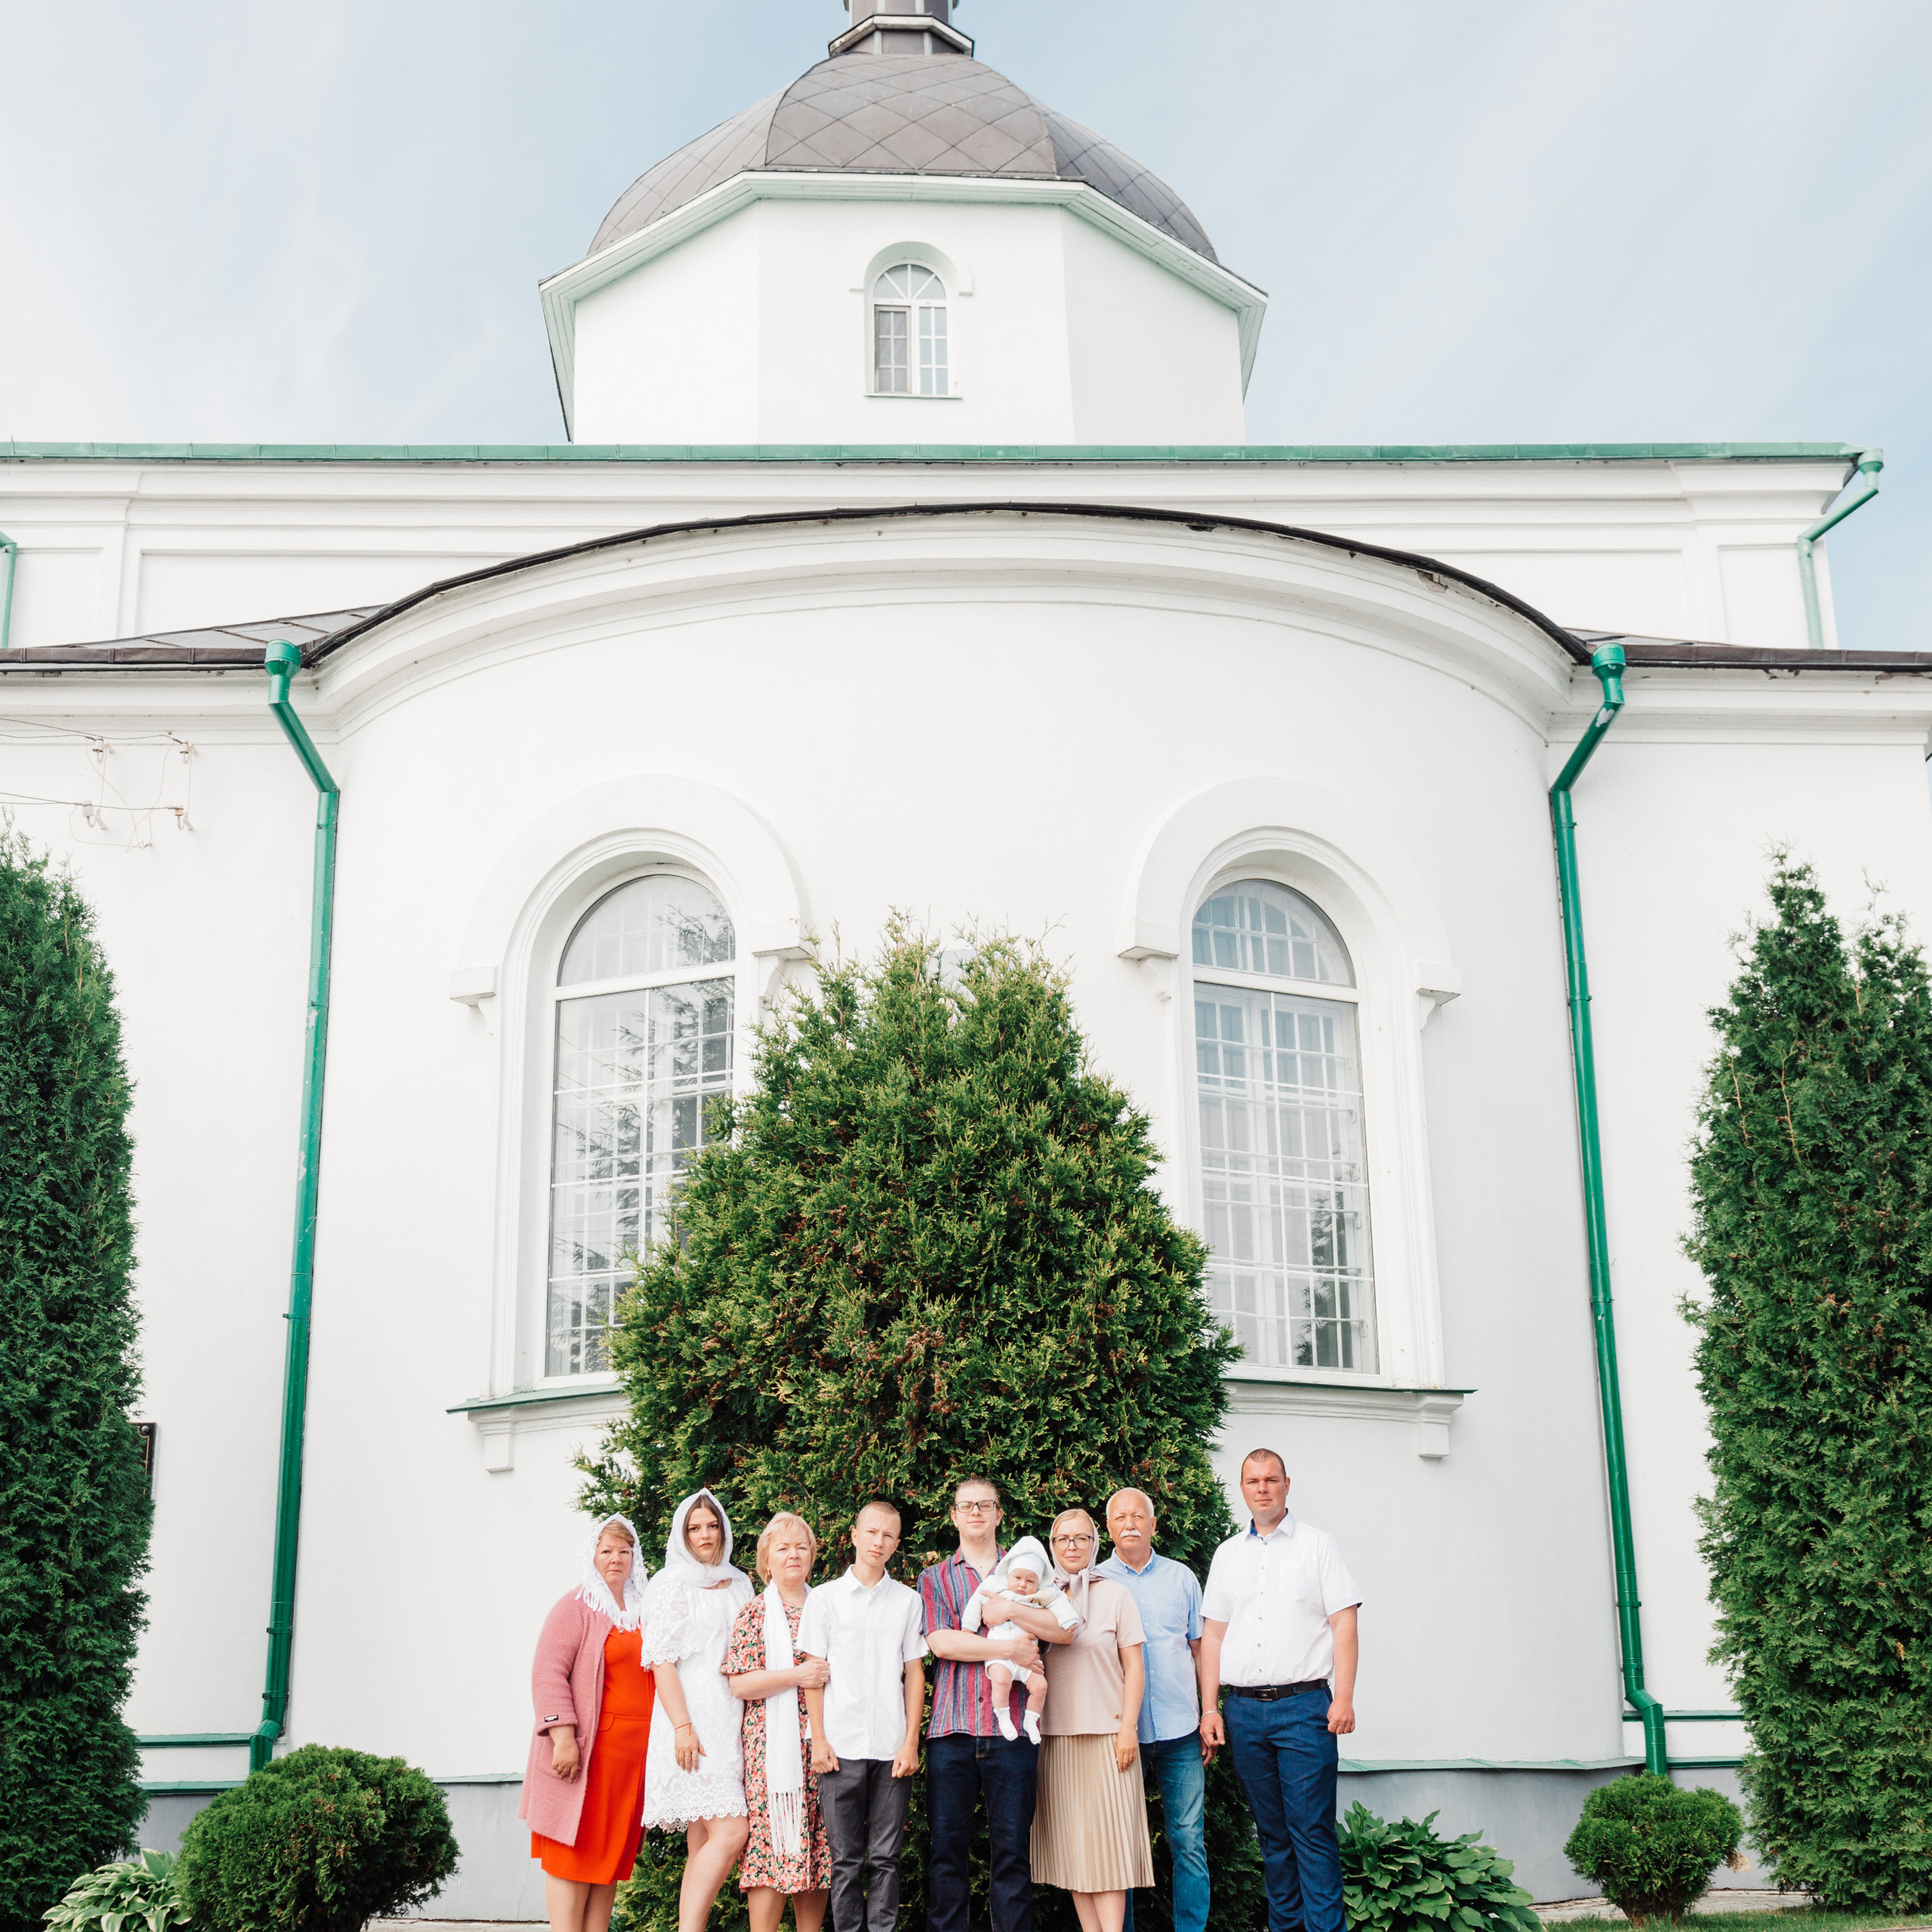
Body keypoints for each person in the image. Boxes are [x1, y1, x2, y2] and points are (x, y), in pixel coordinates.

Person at [1198, 1450, 1362, 1932]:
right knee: (1271, 1835)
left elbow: (1344, 1623)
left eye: (1271, 1480)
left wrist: (1344, 1697)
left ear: (1287, 1484)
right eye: (1253, 1481)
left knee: (1311, 1831)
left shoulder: (1318, 1546)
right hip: (1245, 1713)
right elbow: (1213, 1635)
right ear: (1243, 1488)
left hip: (1306, 1708)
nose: (1263, 1488)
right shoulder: (1229, 1554)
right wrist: (1211, 1708)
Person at [919, 1475, 1076, 1932]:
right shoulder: (936, 1577)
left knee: (1012, 1853)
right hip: (953, 1730)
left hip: (1013, 1738)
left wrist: (1008, 1613)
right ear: (953, 1515)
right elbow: (942, 1642)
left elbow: (1061, 1628)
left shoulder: (1032, 1569)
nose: (974, 1513)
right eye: (965, 1506)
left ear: (999, 1515)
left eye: (984, 1505)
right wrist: (1008, 1649)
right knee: (947, 1854)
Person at [521, 1513, 657, 1932]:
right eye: (606, 1551)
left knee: (607, 1861)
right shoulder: (575, 1607)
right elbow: (548, 1672)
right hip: (589, 1756)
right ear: (591, 1557)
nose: (616, 1559)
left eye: (624, 1551)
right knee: (574, 1856)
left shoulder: (644, 1610)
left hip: (631, 1761)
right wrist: (564, 1737)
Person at [798, 1499, 927, 1932]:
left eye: (889, 1535)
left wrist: (911, 1741)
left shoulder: (908, 1602)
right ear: (854, 1536)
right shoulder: (825, 1601)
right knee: (846, 1861)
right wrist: (818, 1739)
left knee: (888, 1859)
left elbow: (914, 1674)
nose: (879, 1541)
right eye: (872, 1532)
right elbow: (812, 1676)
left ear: (896, 1544)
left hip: (892, 1750)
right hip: (840, 1748)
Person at [1030, 1508, 1154, 1932]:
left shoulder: (1116, 1595)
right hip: (1056, 1737)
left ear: (1095, 1544)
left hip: (1108, 1736)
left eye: (1081, 1539)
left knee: (1109, 1852)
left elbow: (1135, 1668)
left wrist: (1128, 1729)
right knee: (1074, 1853)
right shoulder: (1036, 1596)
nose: (1072, 1547)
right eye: (1063, 1539)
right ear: (1052, 1545)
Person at [640, 1490, 756, 1932]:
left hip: (734, 1723)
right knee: (732, 1832)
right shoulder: (670, 1584)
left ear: (723, 1529)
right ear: (682, 1534)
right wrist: (682, 1726)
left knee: (704, 1839)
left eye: (712, 1525)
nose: (705, 1535)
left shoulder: (741, 1582)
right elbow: (662, 1660)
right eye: (695, 1528)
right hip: (693, 1724)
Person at [1099, 1487, 1208, 1932]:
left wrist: (1209, 1713)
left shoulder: (1183, 1577)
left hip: (1182, 1731)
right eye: (1120, 1516)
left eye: (1138, 1516)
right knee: (1120, 1845)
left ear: (1153, 1524)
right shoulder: (1095, 1580)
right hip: (1121, 1735)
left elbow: (1201, 1651)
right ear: (1108, 1527)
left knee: (1189, 1842)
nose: (1130, 1523)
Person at [724, 1513, 835, 1932]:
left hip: (824, 1743)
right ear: (766, 1560)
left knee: (818, 1843)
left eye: (801, 1547)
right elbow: (740, 1684)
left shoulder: (828, 1606)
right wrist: (797, 1676)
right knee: (772, 1846)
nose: (793, 1555)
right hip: (773, 1750)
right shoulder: (755, 1613)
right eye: (783, 1548)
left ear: (812, 1556)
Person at [961, 1534, 1080, 1744]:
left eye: (1030, 1581)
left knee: (1041, 1686)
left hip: (1028, 1658)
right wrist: (968, 1628)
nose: (1022, 1585)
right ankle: (1004, 1717)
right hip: (1001, 1654)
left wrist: (1070, 1621)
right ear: (1008, 1574)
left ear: (1039, 1581)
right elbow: (975, 1602)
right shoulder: (996, 1586)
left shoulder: (1044, 1593)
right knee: (1000, 1681)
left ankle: (1030, 1721)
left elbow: (1061, 1604)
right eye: (1017, 1578)